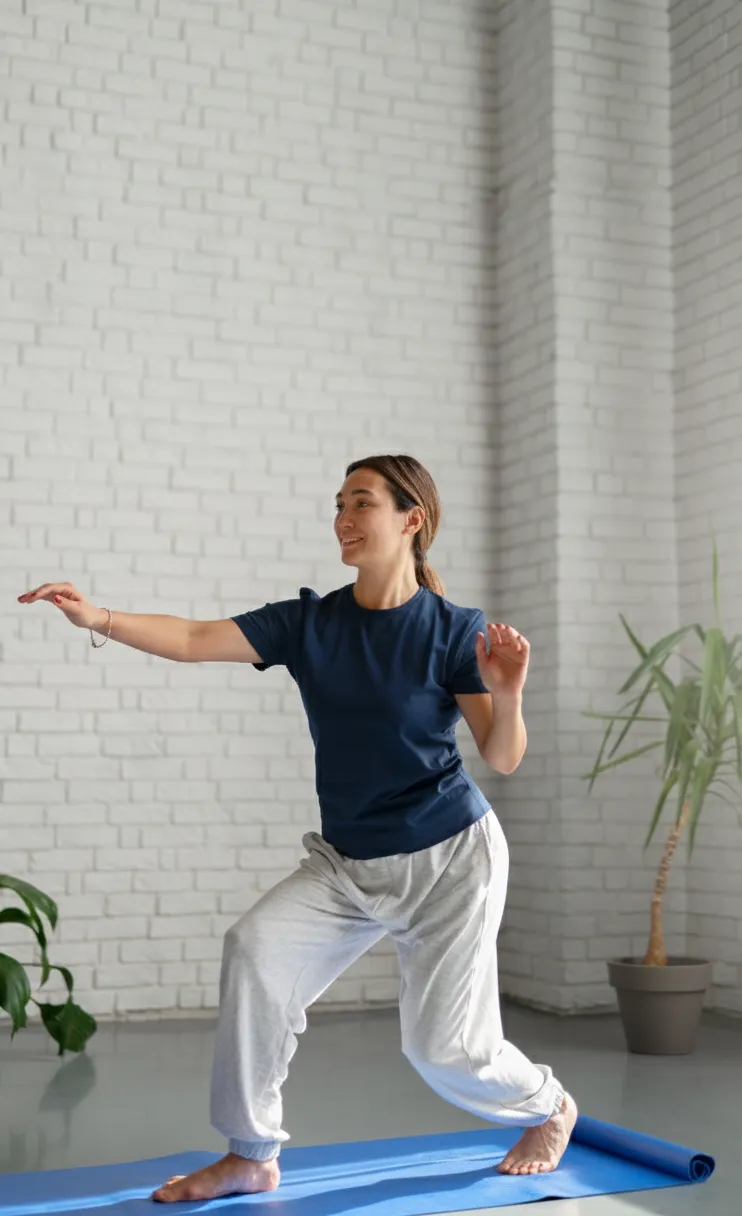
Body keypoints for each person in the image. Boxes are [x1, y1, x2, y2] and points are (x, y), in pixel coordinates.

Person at [18, 453, 577, 1202]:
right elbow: (191, 638)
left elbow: (502, 759)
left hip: (450, 861)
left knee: (442, 1047)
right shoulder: (311, 622)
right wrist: (99, 618)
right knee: (253, 949)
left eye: (362, 503)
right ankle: (251, 1152)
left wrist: (508, 695)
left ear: (412, 519)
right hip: (348, 864)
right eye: (338, 504)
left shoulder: (454, 631)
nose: (343, 518)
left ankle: (549, 1104)